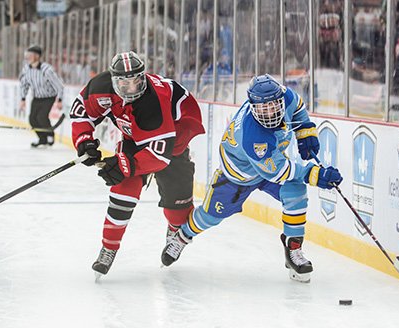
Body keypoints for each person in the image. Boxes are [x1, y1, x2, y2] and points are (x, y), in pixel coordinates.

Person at [161, 74, 343, 283]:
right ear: (252, 106)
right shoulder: (253, 135)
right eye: (262, 108)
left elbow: (299, 109)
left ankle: (293, 249)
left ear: (281, 98)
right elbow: (279, 171)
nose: (269, 112)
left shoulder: (288, 97)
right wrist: (316, 175)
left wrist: (305, 133)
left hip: (269, 165)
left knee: (296, 192)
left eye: (273, 105)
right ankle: (182, 236)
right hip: (237, 177)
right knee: (210, 216)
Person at [69, 51, 205, 277]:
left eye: (136, 81)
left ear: (143, 77)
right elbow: (81, 111)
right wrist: (84, 141)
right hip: (136, 139)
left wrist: (125, 164)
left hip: (174, 143)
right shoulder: (101, 86)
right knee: (123, 189)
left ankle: (175, 231)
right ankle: (108, 247)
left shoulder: (154, 99)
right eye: (124, 82)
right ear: (114, 80)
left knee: (178, 211)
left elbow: (160, 155)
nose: (132, 88)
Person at [19, 45, 64, 147]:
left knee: (42, 117)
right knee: (32, 119)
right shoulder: (26, 69)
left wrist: (60, 99)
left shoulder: (47, 69)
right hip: (36, 97)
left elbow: (59, 85)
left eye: (30, 55)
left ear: (37, 56)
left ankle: (50, 135)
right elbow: (24, 84)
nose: (27, 57)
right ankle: (42, 139)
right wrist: (22, 99)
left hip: (48, 97)